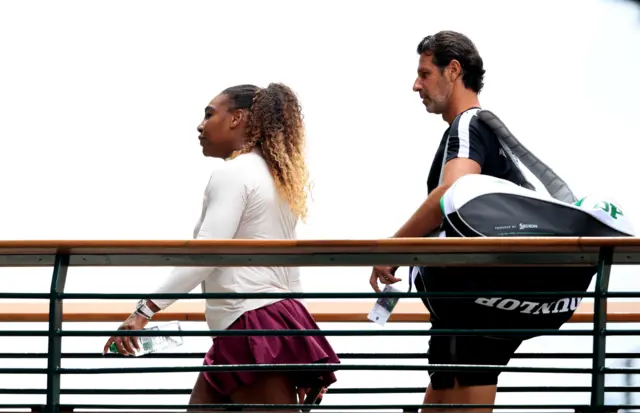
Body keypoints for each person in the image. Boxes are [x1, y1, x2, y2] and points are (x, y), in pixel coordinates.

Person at [104, 83, 339, 411]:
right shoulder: (276, 176)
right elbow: (291, 274)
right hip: (264, 324)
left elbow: (205, 254)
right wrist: (302, 346)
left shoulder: (234, 173)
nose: (200, 125)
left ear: (237, 118)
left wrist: (144, 312)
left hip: (250, 328)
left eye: (210, 114)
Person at [367, 31, 547, 412]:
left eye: (425, 74)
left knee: (465, 393)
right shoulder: (482, 131)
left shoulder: (468, 125)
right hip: (473, 299)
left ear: (453, 70)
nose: (416, 85)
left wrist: (393, 248)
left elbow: (452, 191)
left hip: (474, 298)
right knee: (446, 392)